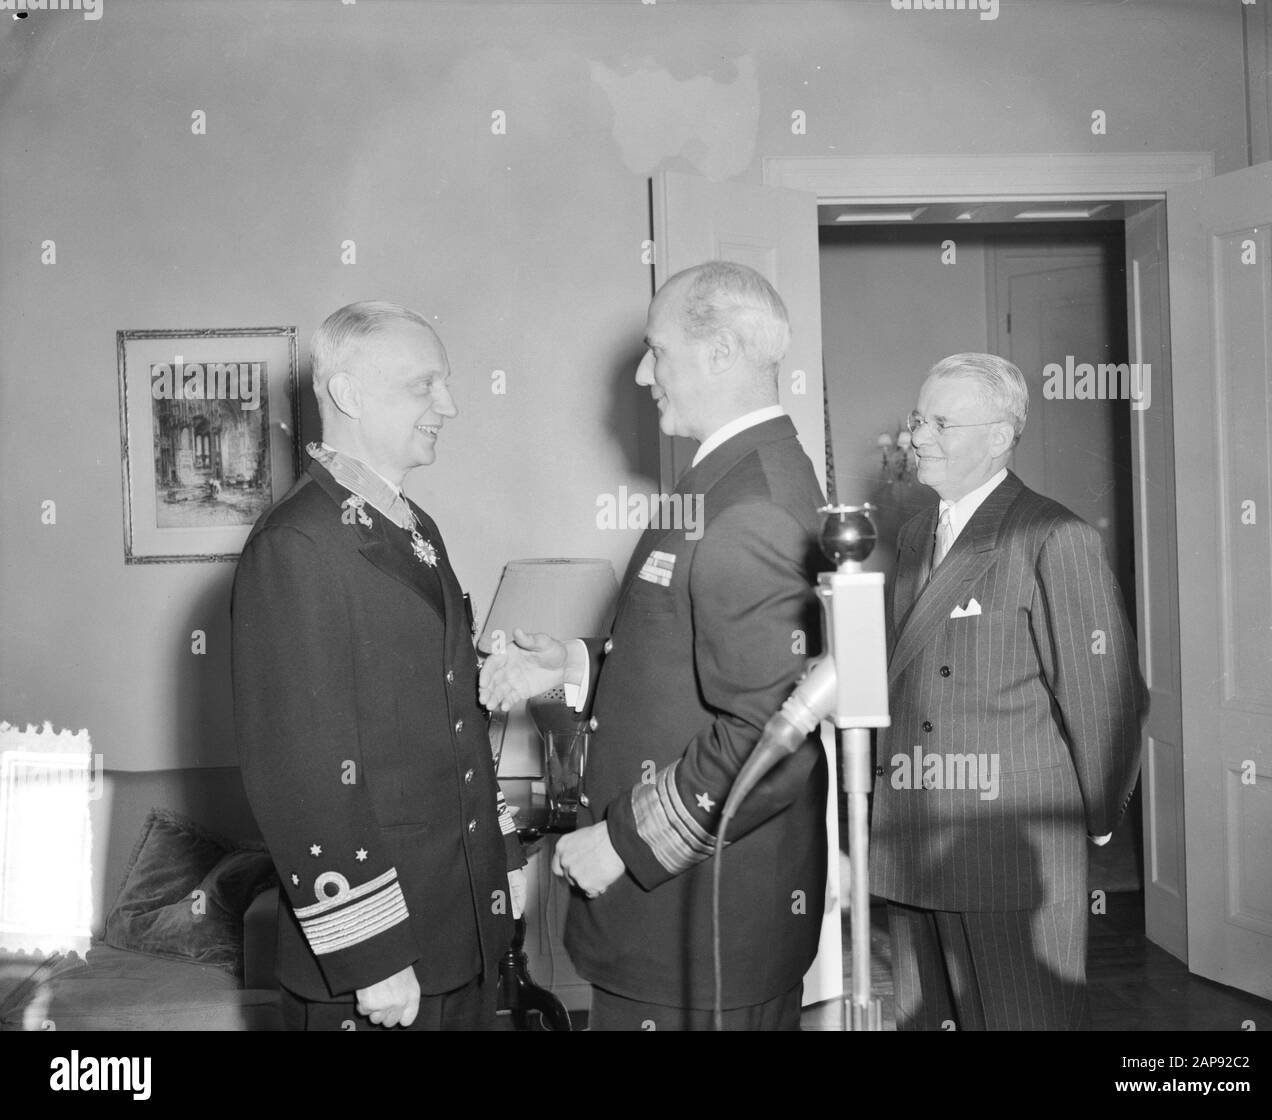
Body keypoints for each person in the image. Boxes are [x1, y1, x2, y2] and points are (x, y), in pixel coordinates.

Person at [480, 261, 829, 1031]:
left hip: (701, 925)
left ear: (720, 354)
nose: (642, 373)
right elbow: (693, 658)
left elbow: (772, 735)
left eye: (657, 351)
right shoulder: (734, 479)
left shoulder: (752, 507)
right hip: (688, 923)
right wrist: (571, 663)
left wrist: (624, 842)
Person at [231, 300, 524, 1031]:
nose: (449, 406)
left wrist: (500, 856)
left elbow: (451, 715)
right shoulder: (296, 543)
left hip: (458, 935)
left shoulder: (414, 525)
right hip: (379, 963)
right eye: (424, 385)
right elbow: (299, 770)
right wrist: (373, 956)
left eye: (447, 384)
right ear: (349, 395)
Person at [872, 352, 1148, 1030]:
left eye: (941, 422)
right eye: (917, 419)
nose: (918, 437)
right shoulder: (913, 535)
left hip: (1006, 855)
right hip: (911, 837)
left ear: (1000, 436)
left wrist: (1099, 815)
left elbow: (1105, 698)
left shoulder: (1053, 535)